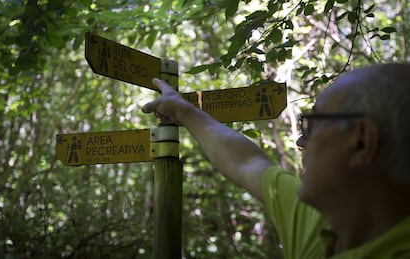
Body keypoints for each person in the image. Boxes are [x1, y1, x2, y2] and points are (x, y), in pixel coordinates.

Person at [142, 63, 410, 258]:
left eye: (313, 124)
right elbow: (246, 162)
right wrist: (185, 112)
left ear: (361, 142)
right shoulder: (318, 220)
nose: (301, 142)